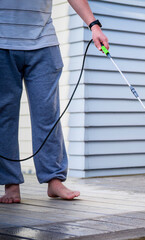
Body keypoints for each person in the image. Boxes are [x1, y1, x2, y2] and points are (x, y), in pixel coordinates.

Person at [0, 0, 109, 203]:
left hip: (43, 43)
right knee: (4, 116)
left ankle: (54, 180)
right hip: (1, 44)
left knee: (47, 113)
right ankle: (10, 184)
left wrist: (93, 24)